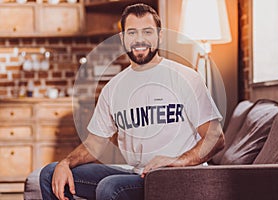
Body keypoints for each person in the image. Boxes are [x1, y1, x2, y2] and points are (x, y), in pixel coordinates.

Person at [40, 3, 225, 200]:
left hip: (178, 176)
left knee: (110, 187)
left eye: (147, 32)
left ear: (159, 36)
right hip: (139, 174)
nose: (139, 40)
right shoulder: (113, 88)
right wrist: (66, 163)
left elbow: (216, 137)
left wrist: (176, 162)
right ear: (123, 38)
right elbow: (95, 143)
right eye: (132, 33)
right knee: (50, 174)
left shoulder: (186, 78)